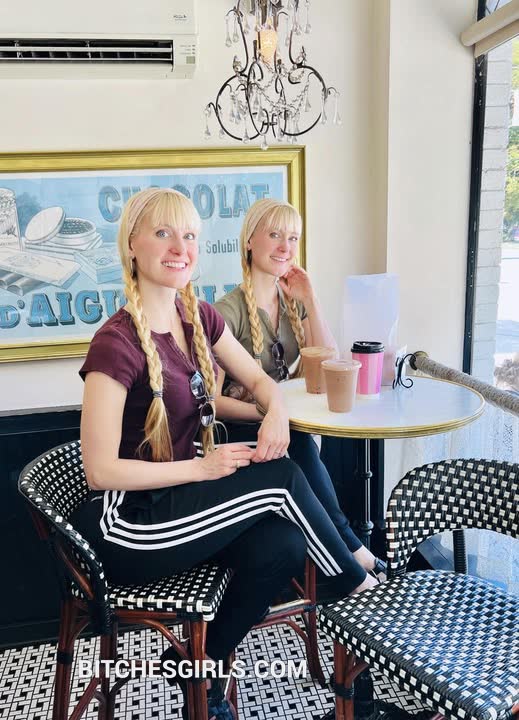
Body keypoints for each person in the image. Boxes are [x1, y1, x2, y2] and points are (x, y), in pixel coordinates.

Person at [71, 188, 378, 720]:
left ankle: (197, 664)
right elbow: (98, 471)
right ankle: (361, 595)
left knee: (284, 544)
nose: (180, 247)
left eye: (189, 235)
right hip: (130, 526)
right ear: (131, 244)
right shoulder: (114, 344)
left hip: (183, 498)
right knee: (282, 479)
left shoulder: (198, 317)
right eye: (163, 233)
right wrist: (201, 467)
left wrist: (276, 411)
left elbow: (259, 380)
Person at [214, 198, 385, 584]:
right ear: (249, 241)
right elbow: (210, 402)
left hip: (287, 430)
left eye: (293, 238)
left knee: (301, 442)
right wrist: (270, 414)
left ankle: (355, 561)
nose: (285, 247)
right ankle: (357, 557)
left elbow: (331, 367)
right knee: (300, 443)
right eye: (275, 235)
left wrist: (310, 298)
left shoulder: (291, 301)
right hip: (241, 434)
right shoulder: (227, 312)